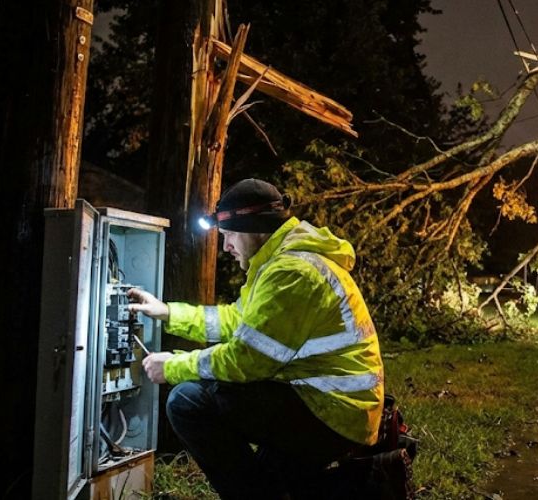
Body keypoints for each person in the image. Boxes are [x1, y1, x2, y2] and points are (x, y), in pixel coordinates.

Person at [127, 178, 384, 499]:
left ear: (255, 227)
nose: (226, 247)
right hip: (331, 406)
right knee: (272, 476)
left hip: (332, 413)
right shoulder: (284, 263)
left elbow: (248, 360)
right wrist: (167, 313)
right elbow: (237, 320)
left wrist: (175, 367)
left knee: (187, 401)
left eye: (230, 235)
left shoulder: (291, 272)